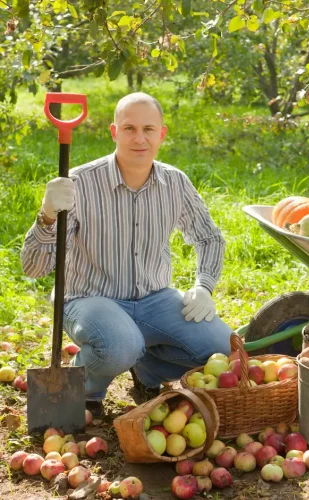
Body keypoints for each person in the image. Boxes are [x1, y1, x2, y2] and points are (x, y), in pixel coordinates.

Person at [21, 92, 233, 416]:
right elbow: (33, 268)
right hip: (89, 298)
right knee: (121, 345)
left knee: (221, 348)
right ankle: (82, 389)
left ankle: (148, 369)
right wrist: (47, 216)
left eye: (148, 129)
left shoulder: (176, 183)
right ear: (114, 132)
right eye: (129, 128)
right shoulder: (79, 183)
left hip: (154, 299)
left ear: (161, 134)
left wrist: (203, 286)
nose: (139, 138)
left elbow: (209, 238)